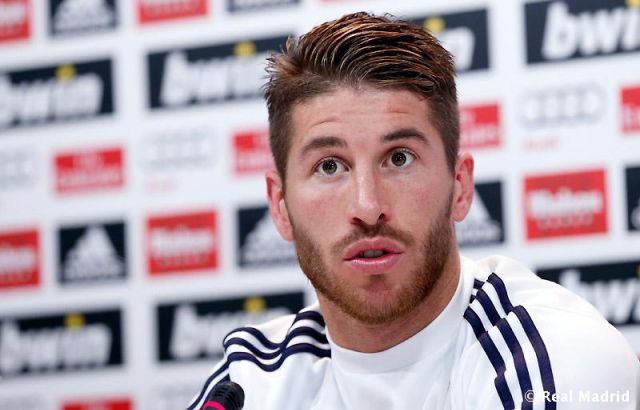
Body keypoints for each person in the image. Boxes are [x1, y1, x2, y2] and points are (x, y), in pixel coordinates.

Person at [188, 12, 639, 410]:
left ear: (460, 186)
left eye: (399, 158)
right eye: (329, 166)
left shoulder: (553, 360)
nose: (368, 208)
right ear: (280, 205)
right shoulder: (248, 383)